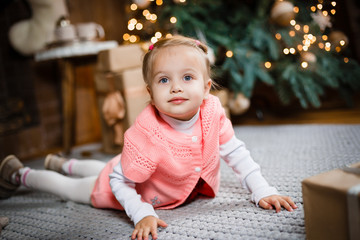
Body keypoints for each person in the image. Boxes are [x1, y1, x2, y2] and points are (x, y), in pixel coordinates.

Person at [0, 35, 297, 240]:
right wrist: (141, 212)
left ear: (207, 88)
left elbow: (235, 152)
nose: (176, 88)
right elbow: (119, 180)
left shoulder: (214, 111)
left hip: (142, 169)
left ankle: (62, 162)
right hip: (124, 183)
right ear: (150, 93)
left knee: (109, 164)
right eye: (164, 80)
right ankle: (20, 174)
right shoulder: (145, 133)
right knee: (75, 187)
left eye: (188, 77)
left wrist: (261, 189)